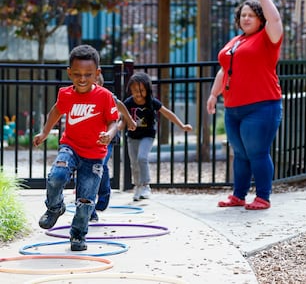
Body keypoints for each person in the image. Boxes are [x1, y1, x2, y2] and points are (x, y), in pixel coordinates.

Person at [206, 0, 283, 210]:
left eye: (251, 15)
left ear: (260, 19)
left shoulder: (268, 38)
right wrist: (213, 94)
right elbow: (224, 70)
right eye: (243, 15)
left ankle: (263, 197)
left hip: (262, 106)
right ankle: (238, 196)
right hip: (233, 108)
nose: (246, 18)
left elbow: (276, 18)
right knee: (240, 154)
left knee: (257, 152)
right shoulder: (236, 41)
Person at [33, 44, 119, 251]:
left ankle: (78, 235)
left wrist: (109, 134)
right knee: (56, 176)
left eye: (88, 74)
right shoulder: (66, 94)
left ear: (97, 73)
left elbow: (114, 122)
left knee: (86, 200)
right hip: (70, 147)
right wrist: (45, 132)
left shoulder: (104, 96)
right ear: (69, 72)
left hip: (95, 155)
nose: (82, 79)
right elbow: (55, 111)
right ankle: (55, 208)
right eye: (77, 74)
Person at [119, 72, 193, 201]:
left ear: (147, 90)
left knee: (142, 157)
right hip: (132, 136)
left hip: (147, 135)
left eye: (142, 90)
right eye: (135, 90)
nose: (138, 94)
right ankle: (138, 186)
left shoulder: (152, 102)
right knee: (134, 164)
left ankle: (146, 185)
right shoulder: (128, 103)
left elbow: (168, 113)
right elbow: (122, 122)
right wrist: (113, 131)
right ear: (130, 90)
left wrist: (182, 125)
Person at [90, 73, 136, 222]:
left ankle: (103, 195)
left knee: (99, 165)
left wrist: (130, 121)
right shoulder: (81, 97)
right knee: (90, 168)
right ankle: (90, 210)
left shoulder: (106, 96)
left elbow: (120, 105)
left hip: (107, 139)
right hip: (89, 140)